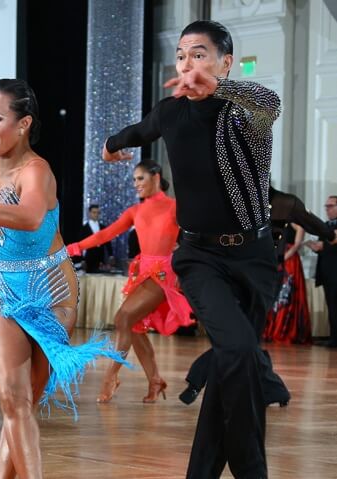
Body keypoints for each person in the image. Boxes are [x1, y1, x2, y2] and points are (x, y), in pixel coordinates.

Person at [102, 19, 282, 479]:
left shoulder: (246, 115)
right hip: (200, 258)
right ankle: (252, 471)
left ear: (225, 62)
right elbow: (139, 130)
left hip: (255, 258)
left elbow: (270, 101)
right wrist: (110, 146)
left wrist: (219, 88)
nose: (187, 64)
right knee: (238, 350)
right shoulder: (171, 111)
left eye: (199, 54)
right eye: (182, 55)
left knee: (231, 363)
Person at [0, 79, 127, 479]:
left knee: (23, 405)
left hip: (51, 291)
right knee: (12, 401)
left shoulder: (37, 171)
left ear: (23, 124)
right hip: (0, 289)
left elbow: (31, 216)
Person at [180, 185, 337, 406]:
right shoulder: (231, 198)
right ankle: (273, 389)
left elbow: (312, 223)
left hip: (265, 279)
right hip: (233, 277)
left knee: (244, 336)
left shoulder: (282, 202)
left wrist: (331, 236)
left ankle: (200, 379)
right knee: (241, 336)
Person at [67, 161, 194, 403]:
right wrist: (76, 247)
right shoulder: (136, 211)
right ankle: (154, 379)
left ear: (156, 177)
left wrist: (184, 261)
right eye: (134, 179)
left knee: (122, 319)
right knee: (133, 327)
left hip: (162, 274)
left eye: (140, 178)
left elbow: (195, 235)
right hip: (143, 273)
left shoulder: (174, 207)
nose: (135, 184)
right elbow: (106, 234)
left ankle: (111, 376)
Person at [263, 222, 312, 344]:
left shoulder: (297, 224)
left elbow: (297, 244)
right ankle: (272, 330)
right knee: (274, 296)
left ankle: (284, 331)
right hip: (277, 259)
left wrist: (283, 258)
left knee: (287, 295)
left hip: (289, 261)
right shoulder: (276, 222)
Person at [306, 195, 337, 347]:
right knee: (331, 306)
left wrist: (325, 246)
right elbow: (323, 246)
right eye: (326, 206)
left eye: (330, 206)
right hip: (326, 272)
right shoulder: (324, 225)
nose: (327, 209)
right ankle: (333, 337)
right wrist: (316, 247)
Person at [79, 204, 114, 272]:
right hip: (89, 258)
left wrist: (111, 255)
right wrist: (82, 259)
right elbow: (80, 245)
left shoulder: (103, 227)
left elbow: (108, 242)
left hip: (101, 258)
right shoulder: (84, 228)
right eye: (94, 212)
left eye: (98, 213)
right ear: (89, 213)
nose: (96, 214)